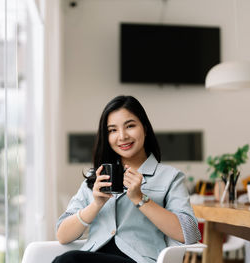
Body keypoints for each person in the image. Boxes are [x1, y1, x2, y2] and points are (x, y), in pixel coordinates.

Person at [54, 95, 201, 263]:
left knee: (68, 260)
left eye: (130, 126)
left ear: (145, 129)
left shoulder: (170, 177)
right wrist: (96, 205)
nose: (122, 136)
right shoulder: (96, 177)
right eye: (112, 130)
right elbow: (62, 235)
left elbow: (189, 233)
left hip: (139, 260)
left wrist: (140, 199)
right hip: (93, 256)